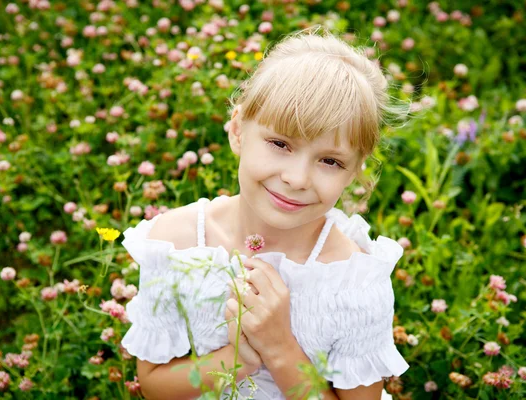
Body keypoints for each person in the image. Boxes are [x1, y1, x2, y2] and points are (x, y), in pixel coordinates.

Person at [120, 26, 410, 399]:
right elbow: (156, 384)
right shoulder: (175, 244)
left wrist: (279, 348)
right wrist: (237, 360)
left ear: (354, 171)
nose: (297, 178)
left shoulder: (352, 282)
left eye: (330, 161)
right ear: (238, 130)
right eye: (280, 143)